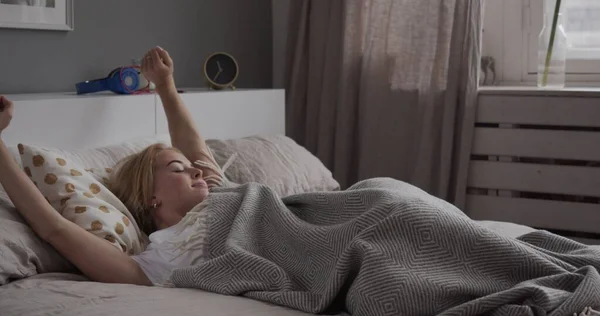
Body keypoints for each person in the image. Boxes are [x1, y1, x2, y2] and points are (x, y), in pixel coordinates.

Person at [0, 47, 226, 286]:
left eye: (191, 167)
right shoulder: (163, 259)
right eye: (178, 168)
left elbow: (191, 145)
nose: (198, 171)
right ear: (150, 196)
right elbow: (53, 228)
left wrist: (164, 83)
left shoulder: (218, 190)